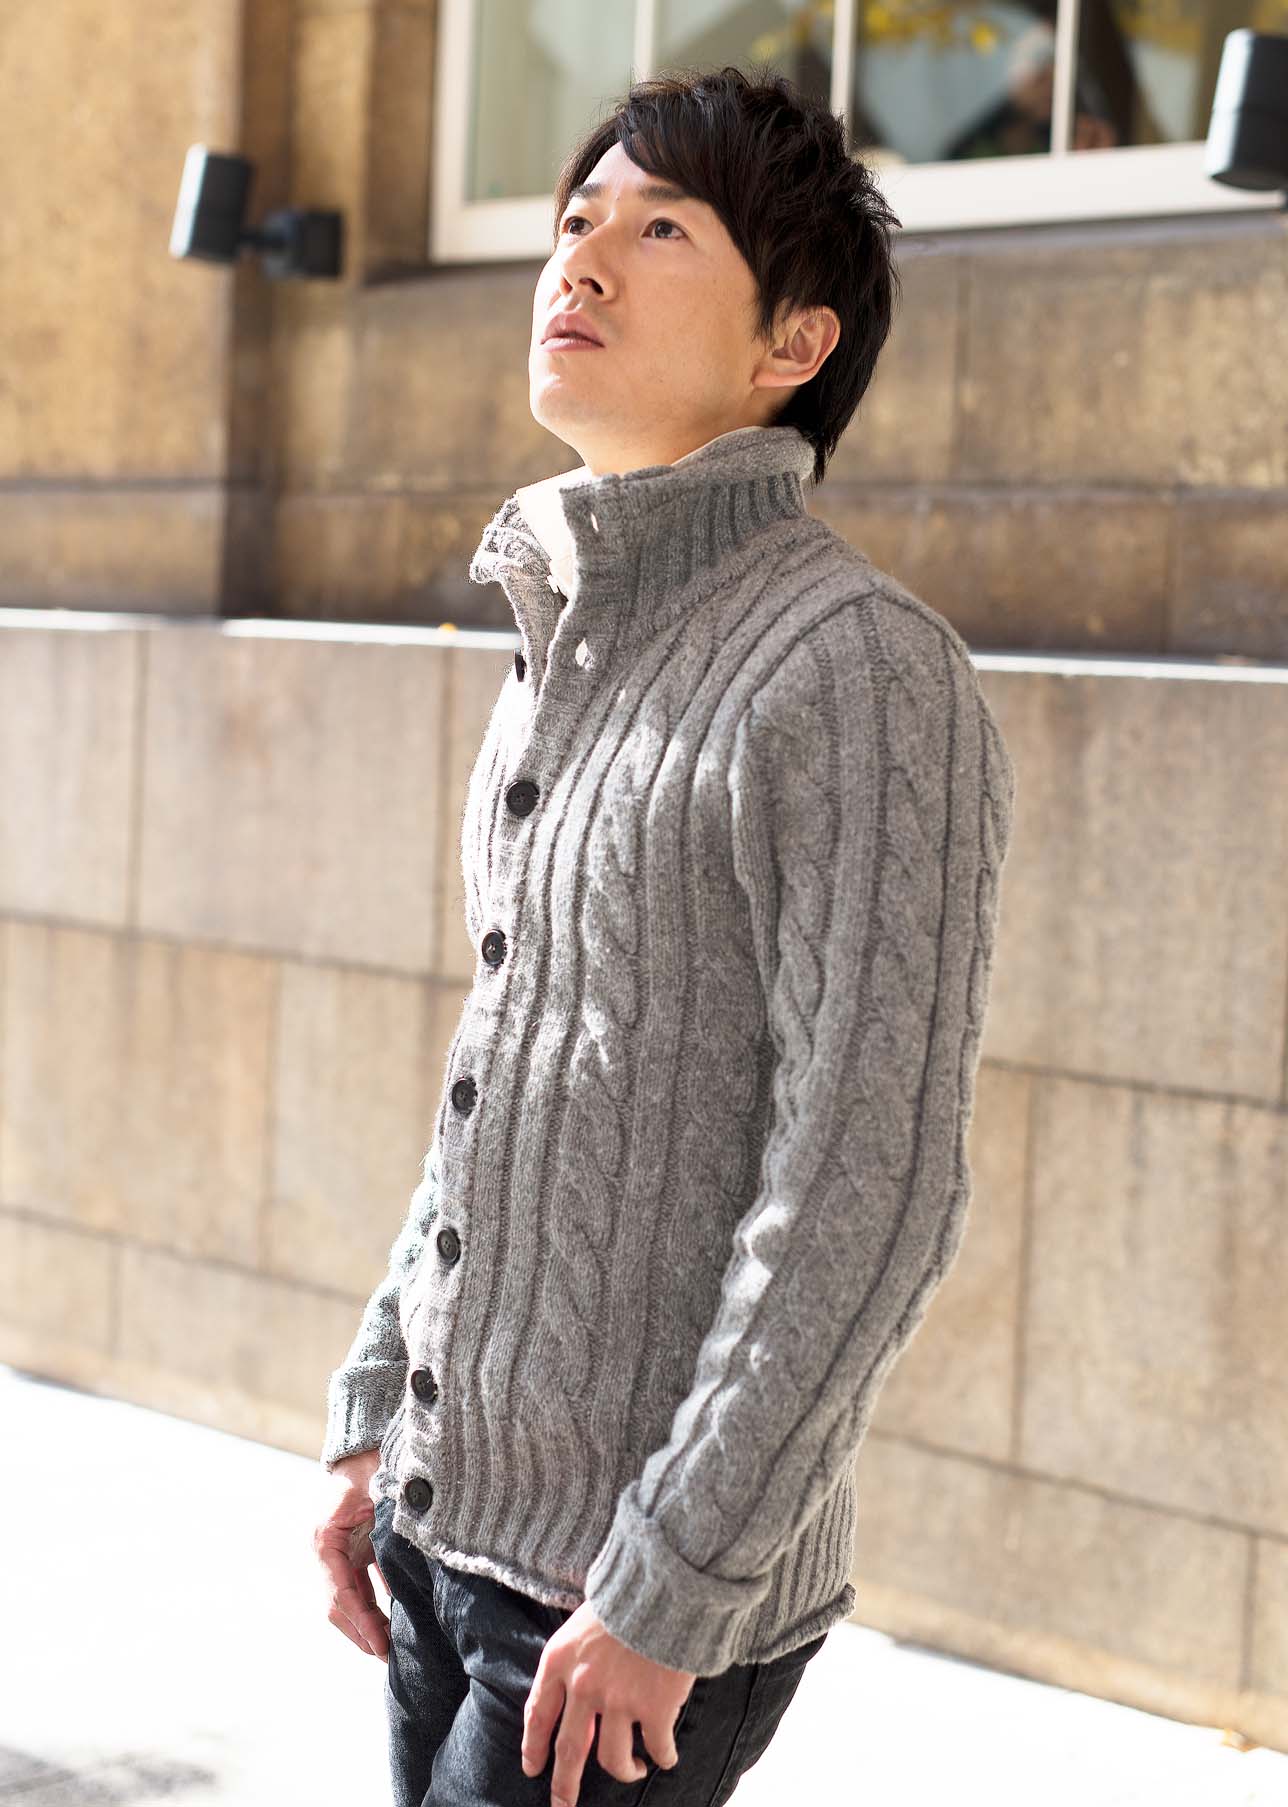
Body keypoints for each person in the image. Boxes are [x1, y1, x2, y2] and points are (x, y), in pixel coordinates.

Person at [313, 62, 1017, 1807]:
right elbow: (501, 1080)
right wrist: (380, 1408)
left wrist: (677, 1581)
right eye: (576, 220)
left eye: (661, 230)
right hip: (439, 1542)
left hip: (624, 1611)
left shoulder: (859, 671)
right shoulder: (565, 645)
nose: (582, 260)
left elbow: (868, 1181)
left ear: (794, 344)